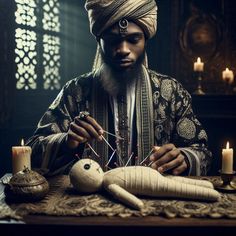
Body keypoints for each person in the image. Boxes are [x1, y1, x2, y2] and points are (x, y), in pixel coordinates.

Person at [26, 0, 212, 176]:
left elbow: (202, 152)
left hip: (153, 203)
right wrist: (68, 142)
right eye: (113, 40)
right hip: (88, 204)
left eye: (133, 39)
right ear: (99, 41)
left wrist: (184, 158)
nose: (123, 49)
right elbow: (31, 151)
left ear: (145, 40)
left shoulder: (171, 92)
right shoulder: (75, 91)